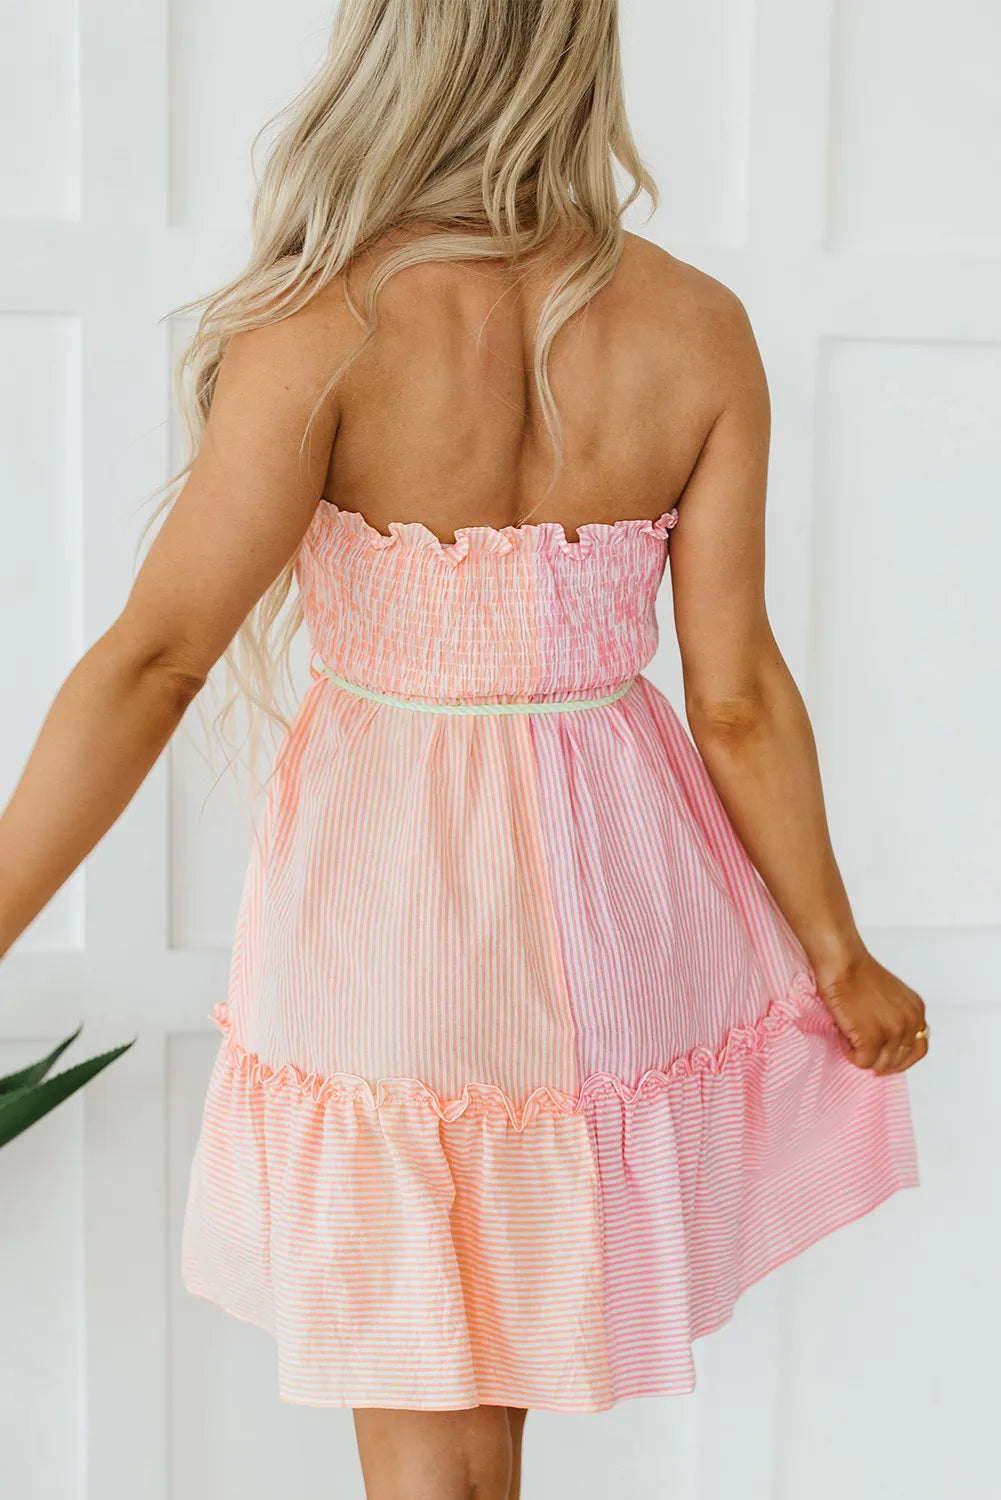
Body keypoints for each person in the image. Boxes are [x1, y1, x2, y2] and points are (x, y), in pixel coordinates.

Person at [0, 1, 927, 1496]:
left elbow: (157, 662)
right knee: (482, 1430)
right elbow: (738, 695)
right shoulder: (696, 328)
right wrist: (836, 950)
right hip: (603, 917)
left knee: (429, 1434)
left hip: (393, 915)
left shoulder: (324, 327)